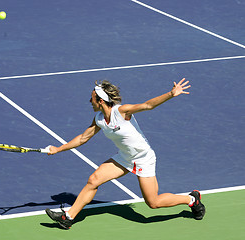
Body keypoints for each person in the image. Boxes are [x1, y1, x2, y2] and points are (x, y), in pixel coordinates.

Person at [45, 78, 205, 229]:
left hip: (144, 159)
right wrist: (58, 149)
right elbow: (82, 138)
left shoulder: (121, 112)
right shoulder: (99, 119)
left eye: (92, 98)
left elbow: (148, 105)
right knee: (93, 180)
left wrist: (171, 94)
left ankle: (191, 199)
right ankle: (68, 217)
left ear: (100, 101)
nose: (89, 101)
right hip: (125, 157)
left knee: (153, 203)